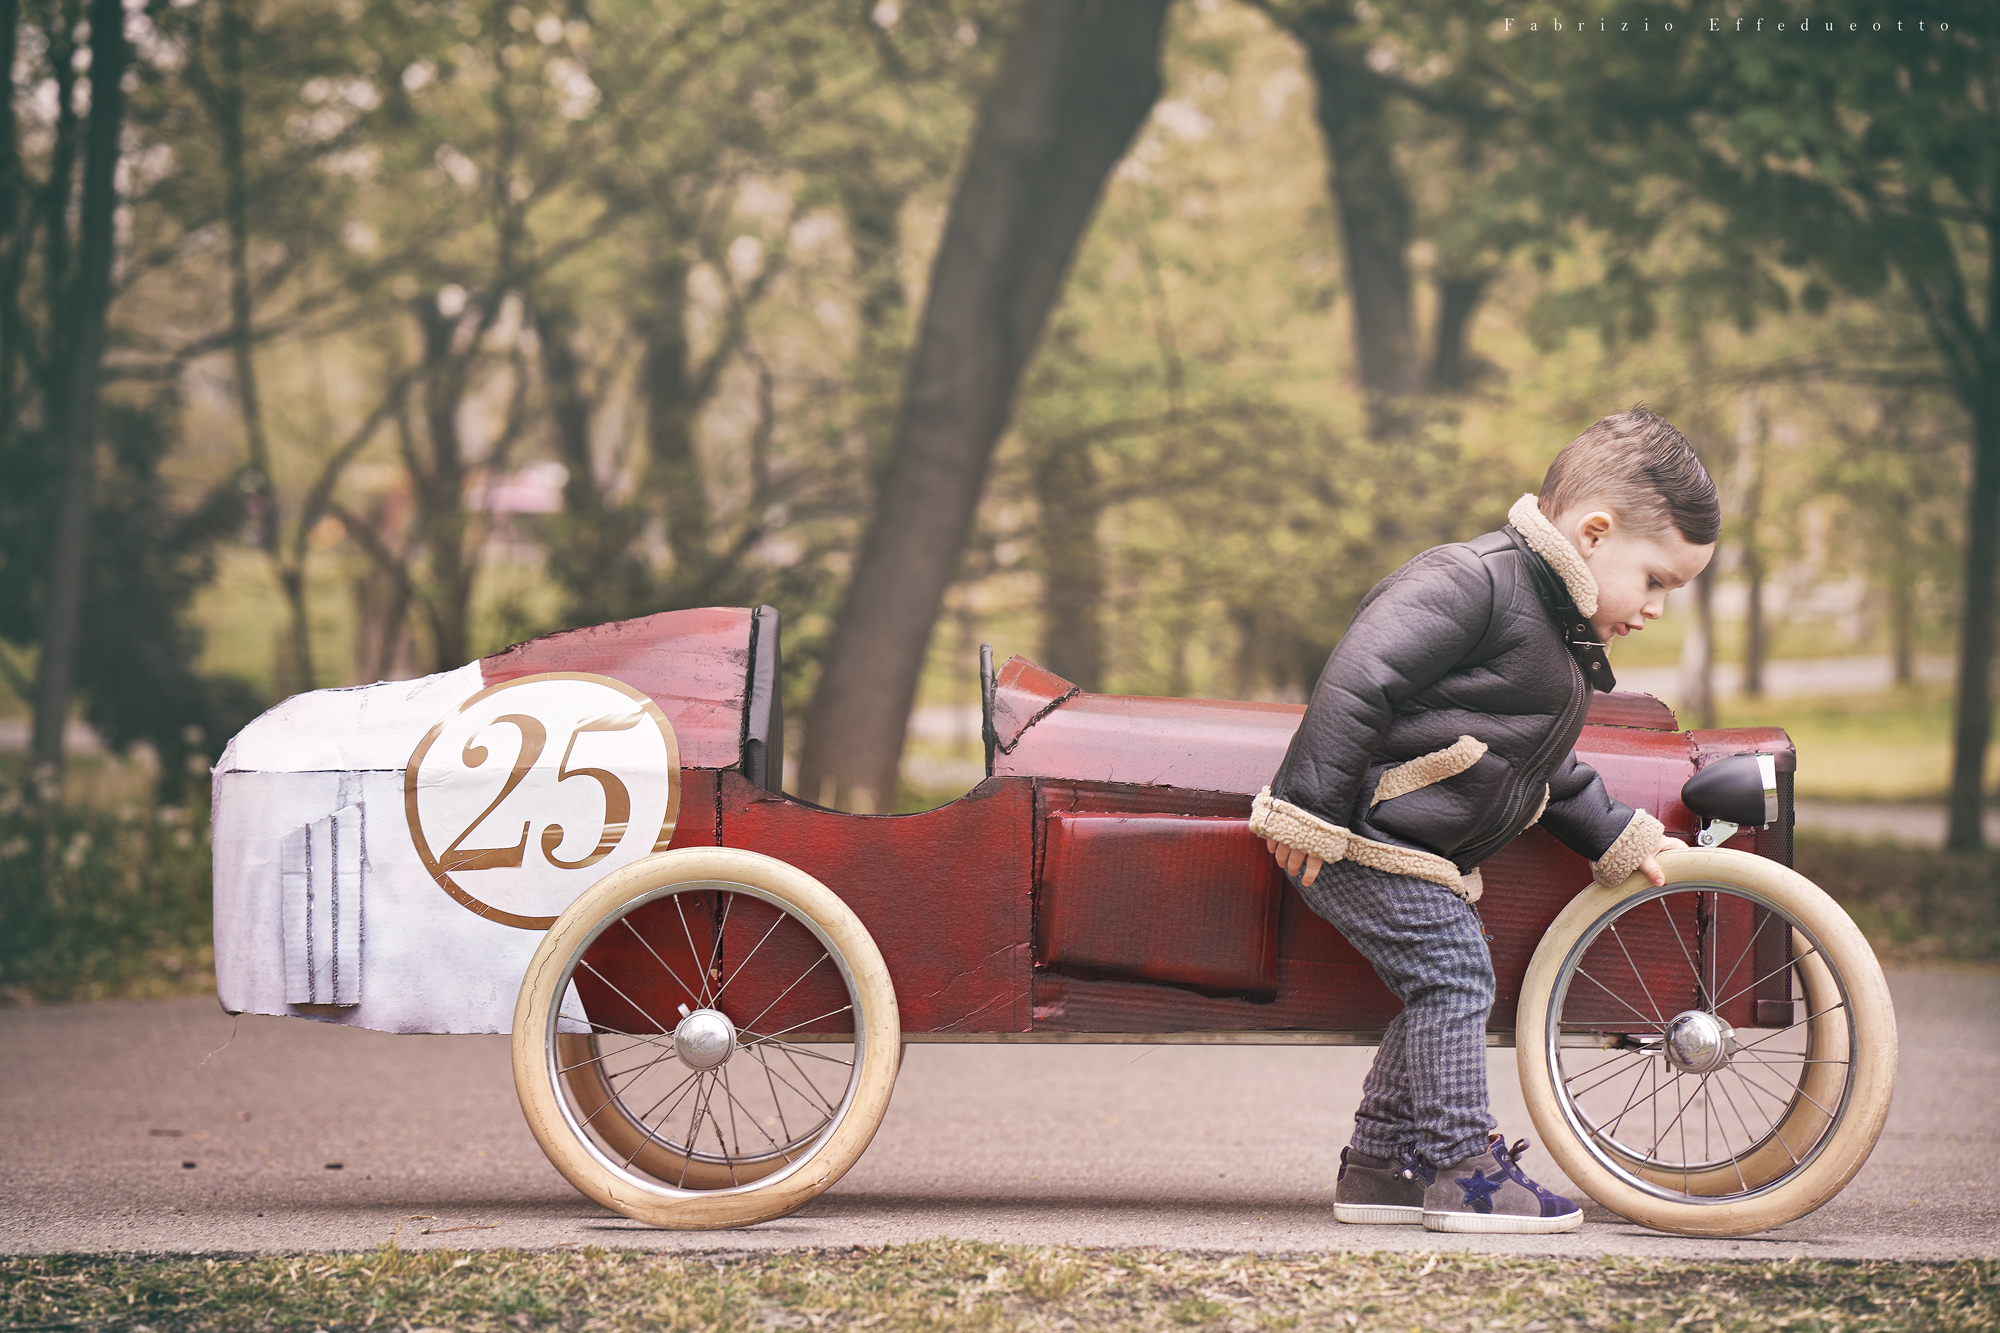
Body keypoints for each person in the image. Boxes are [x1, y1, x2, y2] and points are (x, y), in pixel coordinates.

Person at [1249, 407, 1718, 1234]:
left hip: (1407, 842)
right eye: (1656, 581)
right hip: (1361, 833)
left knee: (1441, 981)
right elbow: (1360, 678)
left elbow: (1541, 767)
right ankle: (1463, 1169)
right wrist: (1309, 811)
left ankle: (1380, 1164)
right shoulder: (1474, 582)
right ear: (1596, 532)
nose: (1656, 609)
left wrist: (1618, 834)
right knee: (1455, 976)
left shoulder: (1556, 633)